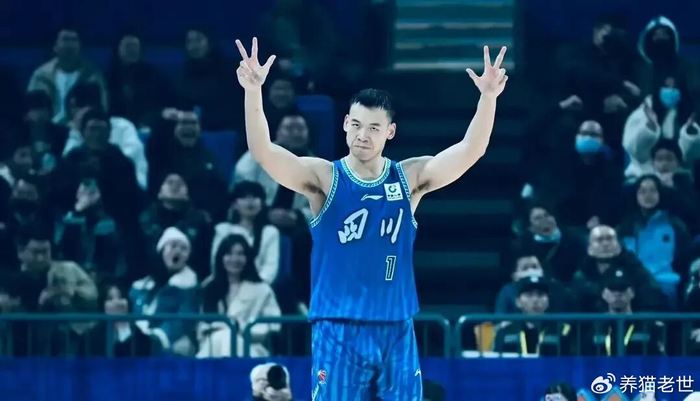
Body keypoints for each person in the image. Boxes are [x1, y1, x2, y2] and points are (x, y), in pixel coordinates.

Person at [235, 37, 508, 399]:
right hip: (339, 327)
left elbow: (471, 150)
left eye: (374, 128)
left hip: (396, 325)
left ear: (390, 132)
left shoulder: (408, 178)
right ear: (345, 123)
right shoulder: (324, 178)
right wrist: (253, 91)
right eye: (357, 124)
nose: (362, 135)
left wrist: (488, 98)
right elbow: (264, 152)